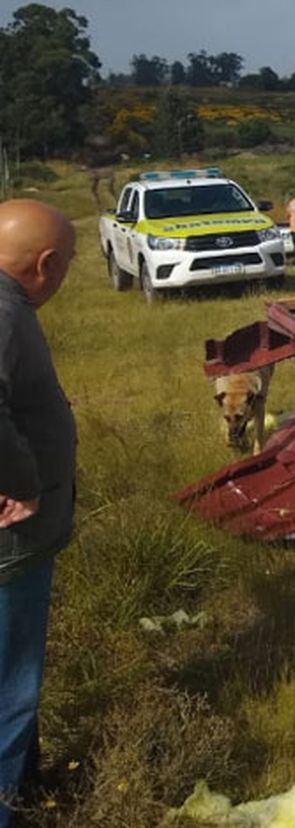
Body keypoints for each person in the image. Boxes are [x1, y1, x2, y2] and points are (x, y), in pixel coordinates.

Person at [0, 200, 76, 824]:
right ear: (46, 265)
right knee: (8, 684)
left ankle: (22, 785)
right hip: (11, 543)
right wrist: (24, 482)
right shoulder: (2, 311)